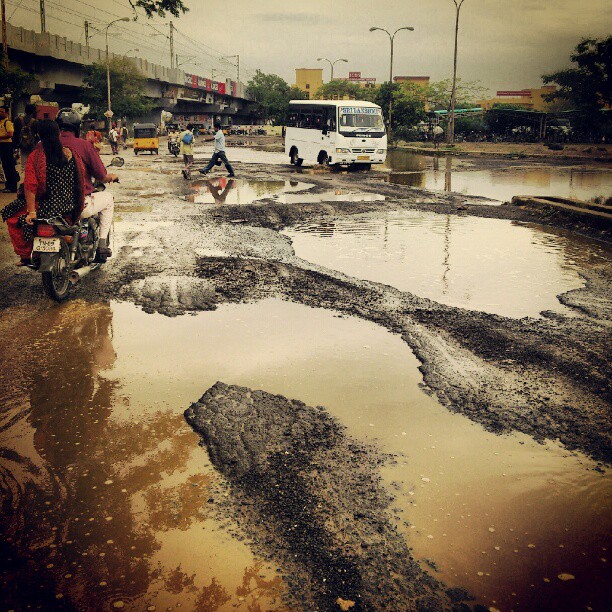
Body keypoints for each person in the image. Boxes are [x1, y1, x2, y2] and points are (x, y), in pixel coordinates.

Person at [2, 119, 87, 265]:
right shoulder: (71, 154)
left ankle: (26, 255)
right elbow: (80, 180)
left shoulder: (36, 156)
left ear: (38, 135)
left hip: (46, 208)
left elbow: (30, 186)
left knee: (12, 217)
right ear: (58, 133)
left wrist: (32, 212)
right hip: (70, 206)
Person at [56, 108, 117, 261]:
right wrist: (110, 177)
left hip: (49, 206)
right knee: (108, 199)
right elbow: (101, 175)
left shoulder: (41, 146)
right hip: (76, 204)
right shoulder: (83, 145)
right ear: (77, 127)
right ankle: (102, 244)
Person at [13, 103, 39, 171]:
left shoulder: (17, 120)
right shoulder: (36, 122)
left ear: (25, 110)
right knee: (32, 162)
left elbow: (15, 133)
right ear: (33, 111)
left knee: (24, 162)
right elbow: (37, 135)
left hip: (21, 144)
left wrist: (16, 145)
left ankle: (24, 176)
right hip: (32, 144)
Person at [0, 107, 20, 193]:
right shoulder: (1, 123)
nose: (0, 113)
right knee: (5, 166)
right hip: (2, 145)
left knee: (9, 166)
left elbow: (10, 134)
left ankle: (12, 186)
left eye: (1, 111)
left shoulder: (7, 123)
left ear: (6, 113)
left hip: (6, 145)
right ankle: (8, 185)